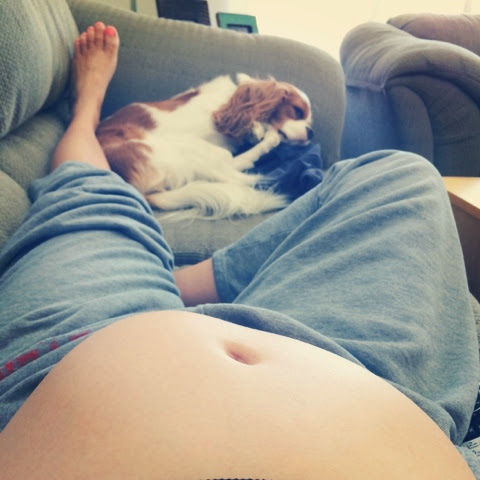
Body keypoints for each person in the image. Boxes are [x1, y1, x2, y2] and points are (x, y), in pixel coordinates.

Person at [0, 22, 478, 480]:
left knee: (90, 192)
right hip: (374, 392)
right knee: (405, 176)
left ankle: (95, 133)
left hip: (73, 353)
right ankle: (90, 114)